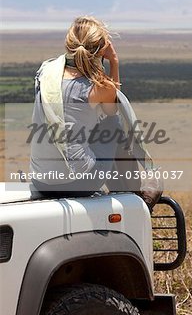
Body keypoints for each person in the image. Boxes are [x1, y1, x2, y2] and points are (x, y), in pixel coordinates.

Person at [30, 15, 132, 197]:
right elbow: (113, 109)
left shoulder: (45, 72)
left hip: (40, 180)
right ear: (102, 50)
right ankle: (133, 192)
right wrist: (114, 61)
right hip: (78, 183)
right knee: (113, 123)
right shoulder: (101, 87)